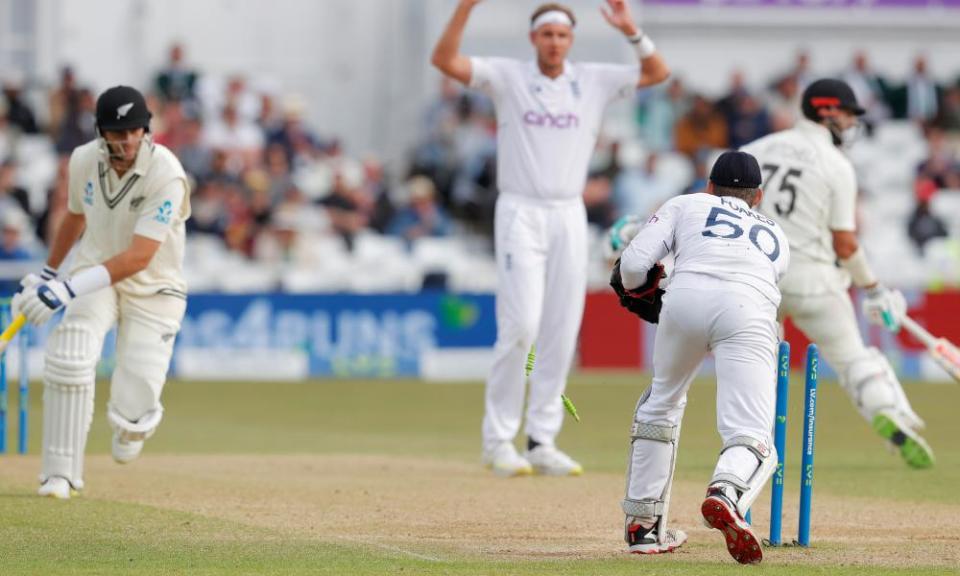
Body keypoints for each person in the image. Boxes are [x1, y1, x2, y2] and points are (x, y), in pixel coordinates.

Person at [431, 0, 670, 477]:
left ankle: (542, 439)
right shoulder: (507, 76)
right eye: (547, 35)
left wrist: (630, 29)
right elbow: (444, 60)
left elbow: (657, 72)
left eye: (562, 35)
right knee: (521, 325)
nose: (555, 42)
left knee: (562, 325)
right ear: (533, 38)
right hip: (520, 208)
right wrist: (465, 8)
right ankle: (498, 441)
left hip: (567, 212)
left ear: (571, 40)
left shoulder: (594, 79)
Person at [741, 78, 934, 468]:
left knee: (757, 371)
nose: (850, 123)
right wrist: (875, 288)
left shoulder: (753, 151)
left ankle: (748, 450)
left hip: (757, 278)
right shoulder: (835, 165)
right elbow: (844, 243)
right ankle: (889, 414)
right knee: (854, 358)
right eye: (847, 114)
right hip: (813, 281)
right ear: (827, 112)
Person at [12, 85, 191, 499]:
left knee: (134, 409)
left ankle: (132, 426)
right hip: (94, 270)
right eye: (116, 132)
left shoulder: (167, 173)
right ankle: (58, 474)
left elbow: (138, 258)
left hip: (154, 287)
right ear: (101, 133)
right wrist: (47, 273)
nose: (126, 140)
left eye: (134, 131)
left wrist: (66, 288)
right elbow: (75, 216)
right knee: (70, 355)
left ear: (146, 130)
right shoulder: (82, 161)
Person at [617, 151, 789, 563]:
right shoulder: (778, 235)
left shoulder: (686, 202)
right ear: (758, 196)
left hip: (685, 298)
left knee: (660, 404)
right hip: (749, 309)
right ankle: (726, 491)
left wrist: (641, 290)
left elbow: (633, 267)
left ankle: (643, 528)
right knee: (751, 434)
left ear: (709, 186)